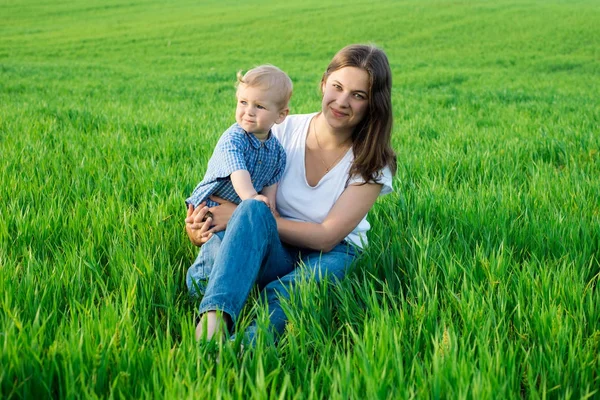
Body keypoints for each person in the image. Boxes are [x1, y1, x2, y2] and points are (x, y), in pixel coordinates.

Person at [185, 44, 397, 344]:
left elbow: (326, 236)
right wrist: (200, 227)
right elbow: (229, 189)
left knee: (300, 287)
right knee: (249, 214)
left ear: (373, 103)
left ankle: (247, 347)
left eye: (358, 95)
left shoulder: (373, 162)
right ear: (324, 84)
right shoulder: (280, 129)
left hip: (333, 252)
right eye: (337, 87)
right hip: (275, 246)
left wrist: (240, 217)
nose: (342, 101)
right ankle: (212, 325)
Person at [184, 65, 291, 295]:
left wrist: (272, 214)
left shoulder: (278, 153)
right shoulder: (233, 138)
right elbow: (238, 173)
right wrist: (252, 199)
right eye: (243, 102)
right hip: (212, 205)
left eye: (259, 106)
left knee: (238, 246)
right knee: (217, 242)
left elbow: (270, 190)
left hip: (244, 209)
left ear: (281, 115)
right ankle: (199, 288)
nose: (248, 111)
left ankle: (243, 282)